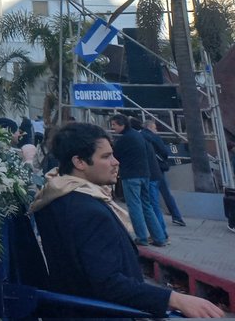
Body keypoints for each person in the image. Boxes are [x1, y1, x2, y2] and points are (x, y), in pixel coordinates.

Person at [32, 122, 223, 317]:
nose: (115, 162)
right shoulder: (87, 210)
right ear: (79, 162)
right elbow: (108, 283)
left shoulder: (54, 197)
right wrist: (173, 299)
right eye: (106, 156)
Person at [109, 113, 168, 247]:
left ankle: (141, 237)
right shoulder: (138, 136)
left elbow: (115, 155)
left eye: (114, 125)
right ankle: (159, 237)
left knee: (134, 206)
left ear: (122, 124)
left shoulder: (124, 139)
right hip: (145, 175)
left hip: (131, 176)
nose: (113, 128)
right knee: (147, 206)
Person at [143, 118, 186, 227]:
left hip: (147, 169)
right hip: (159, 168)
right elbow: (164, 152)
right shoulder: (155, 138)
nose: (156, 130)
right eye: (155, 128)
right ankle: (176, 216)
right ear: (150, 127)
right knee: (166, 193)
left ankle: (156, 220)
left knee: (152, 196)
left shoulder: (141, 137)